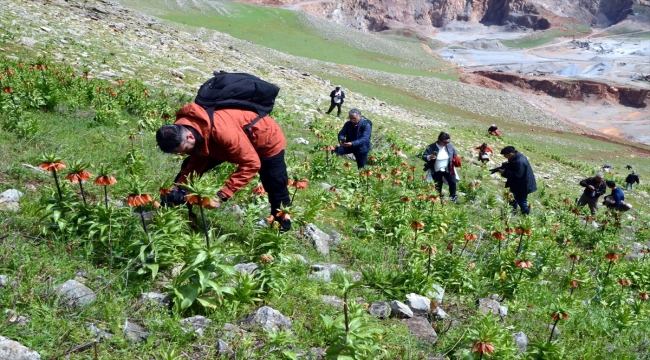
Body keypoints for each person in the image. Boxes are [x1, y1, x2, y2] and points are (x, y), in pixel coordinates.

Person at [155, 103, 292, 231]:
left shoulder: (223, 131)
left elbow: (251, 163)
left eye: (181, 150)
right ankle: (178, 207)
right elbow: (196, 162)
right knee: (189, 165)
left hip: (265, 140)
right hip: (220, 143)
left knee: (275, 182)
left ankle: (281, 225)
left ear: (190, 136)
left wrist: (221, 196)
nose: (181, 154)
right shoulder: (184, 128)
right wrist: (180, 187)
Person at [422, 132, 460, 204]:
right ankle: (438, 196)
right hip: (436, 169)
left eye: (448, 142)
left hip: (448, 168)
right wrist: (429, 157)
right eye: (445, 142)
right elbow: (424, 156)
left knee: (453, 182)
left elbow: (454, 153)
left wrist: (456, 159)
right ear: (439, 140)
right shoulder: (432, 147)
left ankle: (453, 197)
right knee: (438, 184)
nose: (446, 144)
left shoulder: (449, 146)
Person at [498, 146, 537, 215]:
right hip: (519, 185)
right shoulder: (516, 158)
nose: (504, 156)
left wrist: (504, 173)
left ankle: (527, 216)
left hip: (523, 186)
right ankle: (512, 213)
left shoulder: (519, 161)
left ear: (510, 154)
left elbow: (517, 175)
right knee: (513, 199)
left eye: (505, 155)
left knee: (522, 201)